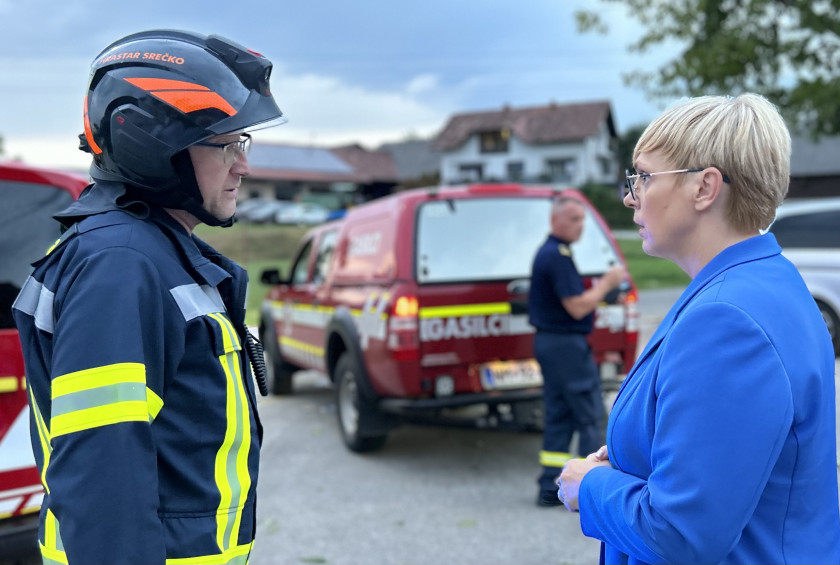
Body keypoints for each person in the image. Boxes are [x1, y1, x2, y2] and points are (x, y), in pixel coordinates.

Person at [12, 29, 286, 564]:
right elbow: (103, 476)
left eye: (243, 143)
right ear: (151, 143)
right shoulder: (120, 265)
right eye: (226, 143)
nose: (243, 165)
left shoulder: (149, 252)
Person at [558, 93, 840, 563]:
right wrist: (636, 458)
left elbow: (679, 534)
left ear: (705, 188)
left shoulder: (728, 320)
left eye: (644, 177)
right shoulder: (766, 282)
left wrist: (589, 487)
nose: (631, 196)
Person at [528, 196, 626, 507]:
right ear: (555, 220)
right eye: (573, 219)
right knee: (588, 415)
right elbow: (576, 306)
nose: (580, 225)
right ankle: (591, 490)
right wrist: (607, 283)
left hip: (551, 345)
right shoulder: (557, 255)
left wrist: (601, 296)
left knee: (560, 416)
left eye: (583, 219)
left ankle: (549, 487)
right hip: (566, 347)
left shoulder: (554, 254)